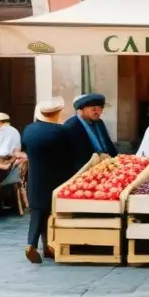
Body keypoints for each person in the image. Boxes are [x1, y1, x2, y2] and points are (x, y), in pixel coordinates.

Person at [21, 98, 73, 264]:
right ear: (58, 113)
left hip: (35, 177)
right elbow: (69, 154)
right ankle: (35, 245)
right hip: (56, 177)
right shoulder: (62, 131)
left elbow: (25, 149)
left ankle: (43, 246)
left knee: (38, 211)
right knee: (47, 212)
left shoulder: (29, 129)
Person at [63, 92, 117, 173]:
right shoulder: (71, 126)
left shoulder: (99, 122)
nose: (97, 112)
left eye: (100, 109)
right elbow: (76, 154)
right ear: (81, 109)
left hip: (107, 166)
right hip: (84, 171)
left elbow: (108, 143)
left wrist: (116, 159)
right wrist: (99, 157)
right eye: (93, 109)